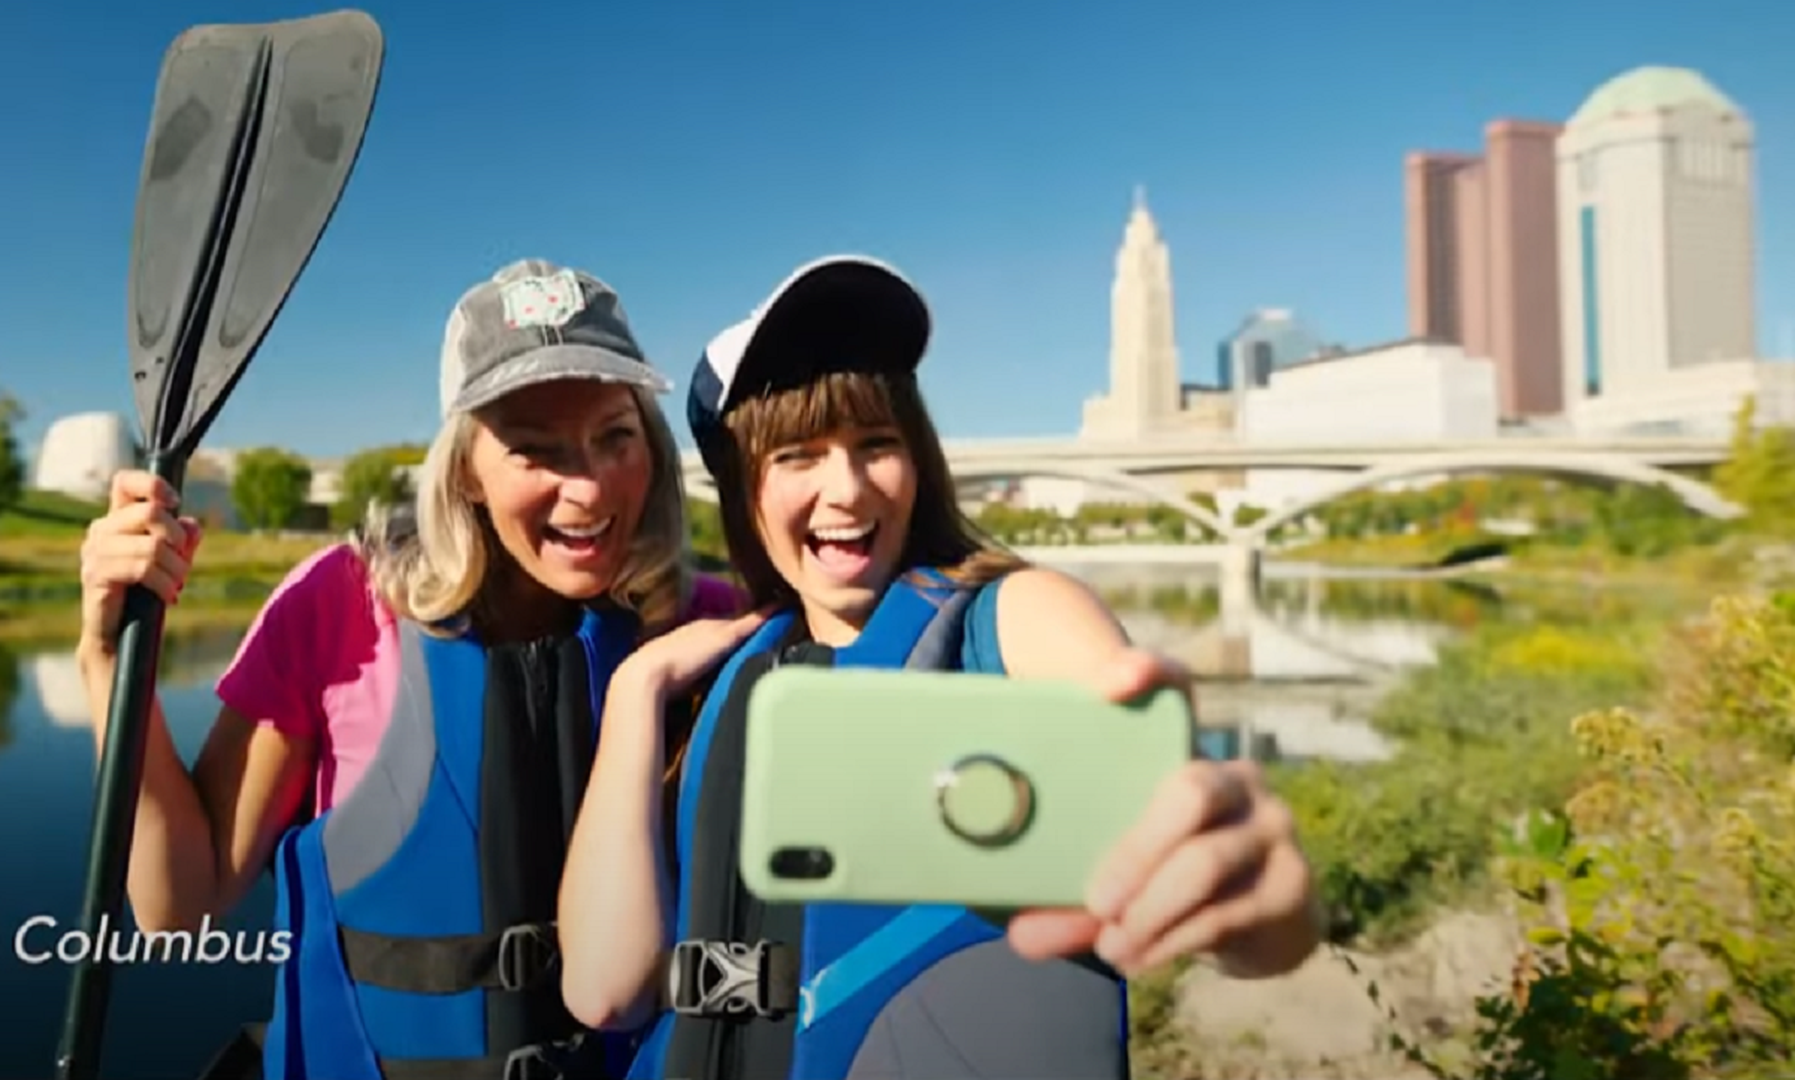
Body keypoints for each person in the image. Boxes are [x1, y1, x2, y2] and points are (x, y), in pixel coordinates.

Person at [556, 255, 1322, 1080]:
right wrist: (636, 695)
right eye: (797, 456)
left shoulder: (1016, 618)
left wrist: (1252, 893)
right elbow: (606, 994)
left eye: (876, 443)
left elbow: (1223, 875)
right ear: (743, 488)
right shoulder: (713, 679)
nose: (847, 489)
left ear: (918, 461)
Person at [74, 258, 743, 1080]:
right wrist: (107, 657)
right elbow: (179, 903)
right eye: (535, 450)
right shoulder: (339, 606)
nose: (589, 488)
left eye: (616, 436)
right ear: (465, 467)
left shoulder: (711, 622)